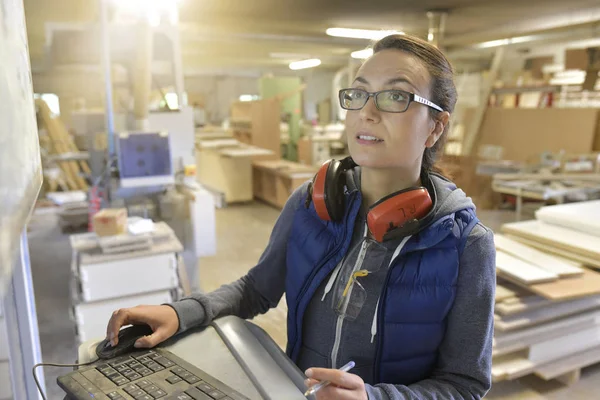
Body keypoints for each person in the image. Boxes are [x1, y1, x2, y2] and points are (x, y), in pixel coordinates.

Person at [105, 34, 495, 400]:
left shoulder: (465, 245)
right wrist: (181, 312)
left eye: (396, 96)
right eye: (359, 93)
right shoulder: (312, 203)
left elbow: (464, 383)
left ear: (436, 127)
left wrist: (376, 397)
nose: (367, 112)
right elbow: (256, 290)